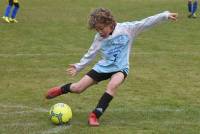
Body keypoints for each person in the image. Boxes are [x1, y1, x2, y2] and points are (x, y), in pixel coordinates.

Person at [45, 8, 178, 126]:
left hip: (121, 68)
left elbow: (146, 22)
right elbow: (90, 54)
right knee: (78, 88)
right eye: (97, 29)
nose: (100, 32)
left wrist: (164, 15)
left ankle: (94, 115)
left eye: (101, 28)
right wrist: (78, 66)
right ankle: (61, 89)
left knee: (112, 85)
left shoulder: (127, 29)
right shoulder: (99, 38)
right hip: (103, 67)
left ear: (110, 23)